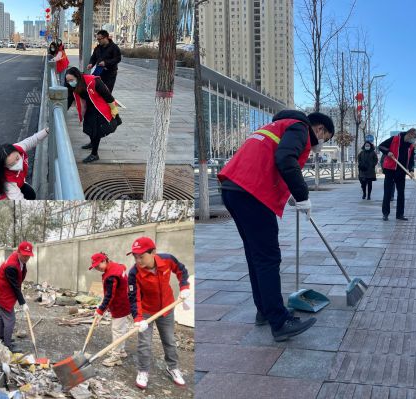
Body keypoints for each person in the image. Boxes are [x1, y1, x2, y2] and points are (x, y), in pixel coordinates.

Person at [217, 110, 334, 342]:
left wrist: (288, 194)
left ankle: (265, 310)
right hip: (250, 193)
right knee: (268, 258)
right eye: (325, 138)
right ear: (319, 129)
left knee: (256, 255)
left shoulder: (278, 126)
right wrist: (302, 195)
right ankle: (279, 322)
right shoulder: (300, 127)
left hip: (233, 189)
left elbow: (268, 159)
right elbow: (285, 159)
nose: (320, 144)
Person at [127, 237, 190, 389]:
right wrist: (138, 318)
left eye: (141, 256)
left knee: (169, 340)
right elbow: (133, 297)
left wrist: (184, 287)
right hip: (146, 312)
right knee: (144, 343)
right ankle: (143, 371)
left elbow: (181, 270)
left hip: (167, 308)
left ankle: (173, 367)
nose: (138, 260)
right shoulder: (134, 273)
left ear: (153, 252)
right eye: (135, 257)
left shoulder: (167, 260)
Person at [65, 66, 120, 163]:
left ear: (77, 77)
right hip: (90, 107)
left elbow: (107, 94)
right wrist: (63, 110)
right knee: (89, 127)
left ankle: (94, 154)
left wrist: (113, 108)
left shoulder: (93, 81)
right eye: (68, 81)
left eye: (71, 80)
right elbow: (69, 99)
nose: (70, 82)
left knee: (96, 131)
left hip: (100, 107)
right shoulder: (72, 85)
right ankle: (92, 143)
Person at [0, 128, 49, 200]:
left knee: (29, 193)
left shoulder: (17, 148)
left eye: (17, 158)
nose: (18, 164)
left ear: (17, 151)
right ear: (5, 166)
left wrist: (46, 131)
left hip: (1, 189)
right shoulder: (7, 182)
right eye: (12, 164)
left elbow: (32, 140)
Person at [89, 252, 131, 367]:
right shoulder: (116, 266)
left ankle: (116, 357)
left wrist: (100, 310)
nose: (97, 269)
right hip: (125, 301)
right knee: (121, 329)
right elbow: (123, 267)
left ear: (104, 261)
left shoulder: (111, 275)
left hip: (119, 304)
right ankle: (121, 350)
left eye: (98, 266)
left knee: (117, 330)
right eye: (95, 267)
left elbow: (109, 296)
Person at [0, 241, 33, 351]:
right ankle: (7, 345)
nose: (26, 258)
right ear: (18, 252)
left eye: (28, 256)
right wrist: (23, 303)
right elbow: (15, 286)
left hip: (5, 291)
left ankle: (1, 338)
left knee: (3, 317)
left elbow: (18, 279)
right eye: (24, 255)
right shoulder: (11, 266)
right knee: (10, 319)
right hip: (2, 294)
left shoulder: (19, 260)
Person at [378, 128, 416, 221]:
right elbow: (380, 146)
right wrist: (388, 152)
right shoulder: (395, 139)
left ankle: (400, 214)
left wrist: (411, 170)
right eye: (414, 136)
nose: (414, 139)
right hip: (390, 170)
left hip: (401, 171)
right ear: (409, 134)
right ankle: (385, 214)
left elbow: (411, 160)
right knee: (387, 192)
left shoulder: (411, 146)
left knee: (401, 193)